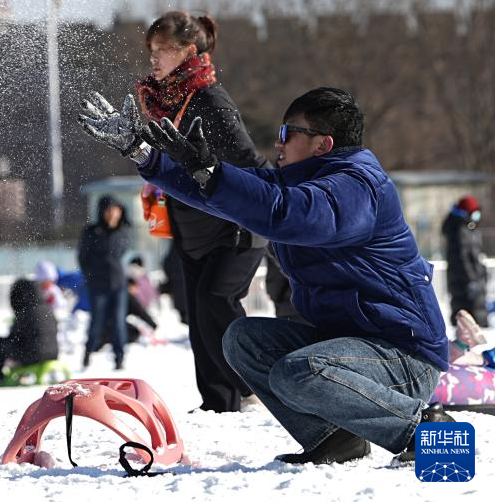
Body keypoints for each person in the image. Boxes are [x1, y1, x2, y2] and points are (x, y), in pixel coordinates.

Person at [78, 85, 451, 465]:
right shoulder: (298, 182)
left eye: (289, 133)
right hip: (350, 348)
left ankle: (424, 430)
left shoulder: (357, 188)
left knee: (299, 371)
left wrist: (214, 173)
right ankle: (336, 439)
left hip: (402, 356)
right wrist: (145, 154)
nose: (279, 143)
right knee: (243, 339)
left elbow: (289, 213)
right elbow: (223, 193)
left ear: (323, 144)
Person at [133, 12, 267, 412]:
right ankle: (217, 400)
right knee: (199, 315)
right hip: (191, 228)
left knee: (216, 302)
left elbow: (248, 163)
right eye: (151, 51)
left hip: (233, 227)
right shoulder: (163, 104)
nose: (154, 60)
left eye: (163, 51)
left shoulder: (209, 100)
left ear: (188, 51)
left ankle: (251, 386)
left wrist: (211, 171)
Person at [77, 196, 130, 370]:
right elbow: (82, 258)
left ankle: (119, 357)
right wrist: (90, 277)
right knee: (97, 322)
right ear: (102, 211)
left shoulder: (122, 232)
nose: (113, 214)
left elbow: (119, 254)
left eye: (116, 210)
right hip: (98, 285)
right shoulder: (91, 232)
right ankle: (88, 352)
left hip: (118, 284)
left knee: (119, 322)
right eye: (109, 210)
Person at [0, 279, 59, 385]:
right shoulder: (47, 309)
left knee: (1, 343)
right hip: (52, 354)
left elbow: (15, 337)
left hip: (34, 355)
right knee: (29, 344)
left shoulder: (26, 311)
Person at [443, 196, 487, 327]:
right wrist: (471, 279)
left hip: (474, 281)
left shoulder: (470, 229)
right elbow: (462, 259)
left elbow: (474, 255)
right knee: (468, 323)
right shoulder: (459, 231)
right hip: (464, 283)